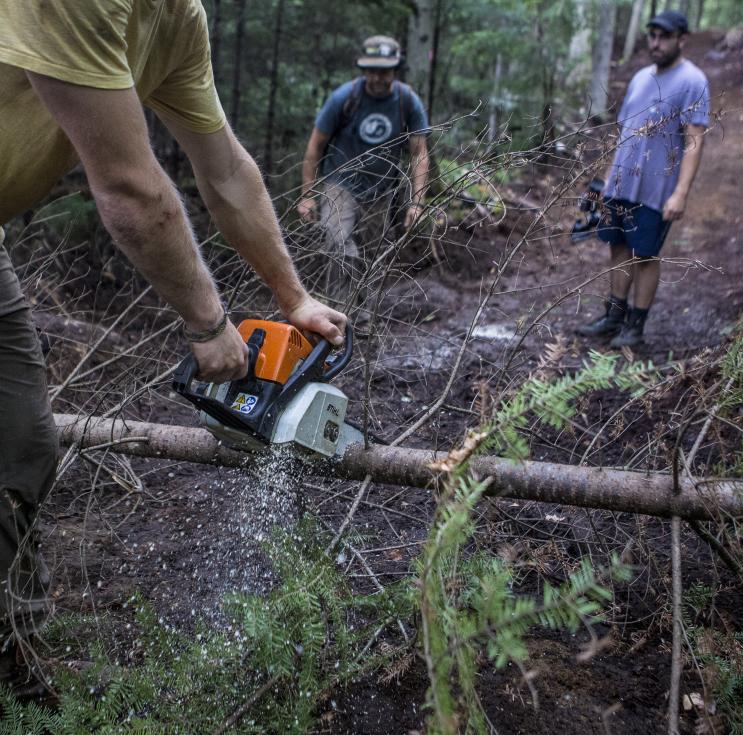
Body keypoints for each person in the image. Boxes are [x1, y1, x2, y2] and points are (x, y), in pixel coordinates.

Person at [0, 0, 347, 685]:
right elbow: (129, 189)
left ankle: (11, 651)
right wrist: (209, 324)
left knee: (23, 447)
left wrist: (292, 295)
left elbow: (225, 170)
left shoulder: (176, 18)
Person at [576, 9, 710, 348]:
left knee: (645, 254)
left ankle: (636, 327)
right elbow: (625, 135)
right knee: (618, 247)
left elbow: (694, 140)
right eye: (653, 35)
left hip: (656, 189)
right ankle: (613, 318)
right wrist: (608, 180)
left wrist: (680, 193)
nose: (656, 42)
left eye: (664, 36)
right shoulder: (639, 78)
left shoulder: (693, 81)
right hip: (621, 184)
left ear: (681, 39)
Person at [297, 36, 430, 307]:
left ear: (395, 69)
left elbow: (419, 154)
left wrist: (417, 203)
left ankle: (366, 318)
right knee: (339, 244)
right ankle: (340, 313)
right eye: (372, 70)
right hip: (340, 183)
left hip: (382, 189)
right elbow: (315, 147)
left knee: (374, 257)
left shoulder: (407, 102)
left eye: (384, 71)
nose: (378, 77)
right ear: (364, 69)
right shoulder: (344, 98)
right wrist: (307, 195)